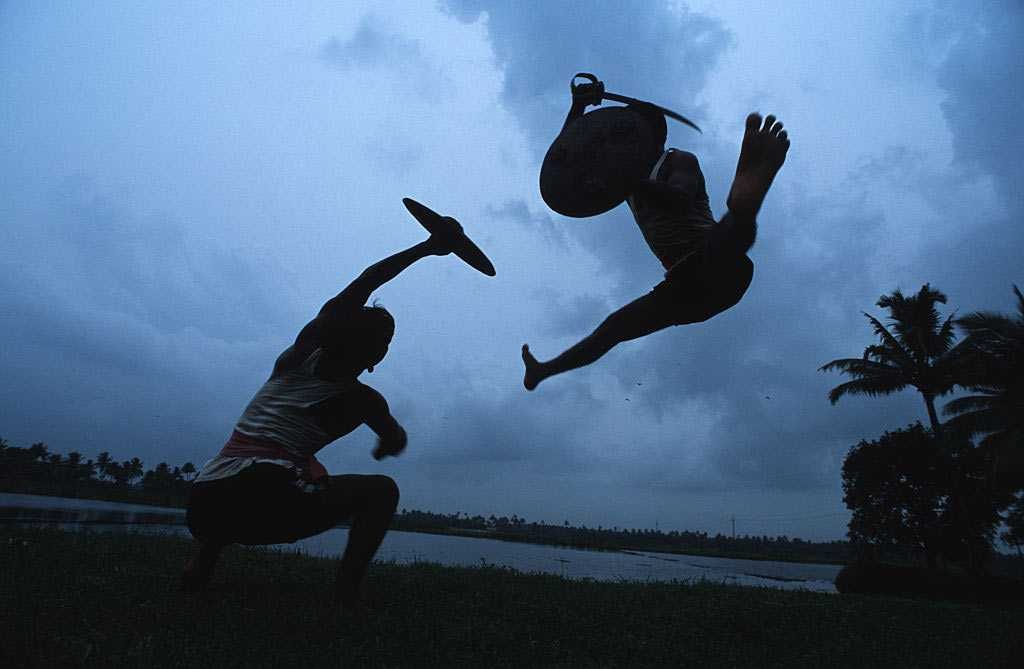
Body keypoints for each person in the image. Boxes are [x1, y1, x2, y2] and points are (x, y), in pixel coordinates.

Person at [182, 224, 459, 610]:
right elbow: (396, 439)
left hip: (203, 502)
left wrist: (427, 247)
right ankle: (346, 592)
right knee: (380, 491)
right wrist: (385, 443)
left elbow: (365, 281)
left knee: (255, 468)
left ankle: (203, 559)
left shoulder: (294, 359)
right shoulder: (364, 401)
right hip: (266, 503)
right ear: (377, 357)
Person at [522, 82, 790, 390]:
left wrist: (630, 180)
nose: (609, 145)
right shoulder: (625, 179)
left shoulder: (677, 160)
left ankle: (745, 202)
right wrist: (578, 108)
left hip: (715, 260)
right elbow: (572, 154)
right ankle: (543, 371)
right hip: (684, 286)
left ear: (645, 136)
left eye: (620, 135)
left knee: (726, 241)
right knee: (612, 330)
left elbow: (680, 196)